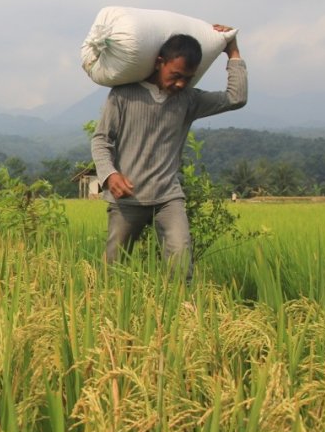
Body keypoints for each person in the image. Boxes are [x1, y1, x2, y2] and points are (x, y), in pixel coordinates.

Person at [90, 26, 247, 277]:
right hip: (128, 199)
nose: (180, 83)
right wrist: (110, 175)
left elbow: (236, 98)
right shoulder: (123, 95)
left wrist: (233, 50)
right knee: (114, 269)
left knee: (181, 263)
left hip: (168, 197)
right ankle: (107, 309)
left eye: (187, 77)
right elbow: (101, 140)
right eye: (175, 75)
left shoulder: (188, 100)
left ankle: (179, 311)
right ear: (159, 62)